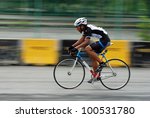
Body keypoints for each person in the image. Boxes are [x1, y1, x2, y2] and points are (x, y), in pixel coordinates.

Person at [68, 17, 111, 83]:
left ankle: (102, 63)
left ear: (82, 26)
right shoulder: (85, 30)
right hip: (102, 40)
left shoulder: (88, 29)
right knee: (93, 57)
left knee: (87, 49)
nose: (76, 29)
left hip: (104, 41)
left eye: (77, 27)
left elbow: (86, 41)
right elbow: (81, 40)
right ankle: (96, 76)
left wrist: (76, 48)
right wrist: (72, 46)